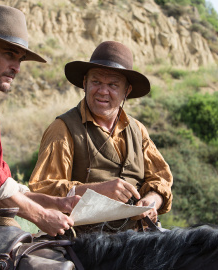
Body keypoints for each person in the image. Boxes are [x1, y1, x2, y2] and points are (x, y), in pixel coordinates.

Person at [0, 5, 80, 268]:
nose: (16, 67)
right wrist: (41, 215)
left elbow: (1, 180)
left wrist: (55, 202)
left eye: (20, 59)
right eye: (9, 55)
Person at [29, 41, 173, 234]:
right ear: (84, 83)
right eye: (96, 82)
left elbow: (161, 179)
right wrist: (97, 190)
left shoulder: (138, 130)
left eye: (113, 85)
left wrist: (153, 201)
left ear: (126, 91)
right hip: (82, 241)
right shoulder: (62, 129)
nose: (103, 91)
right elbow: (42, 190)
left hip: (137, 239)